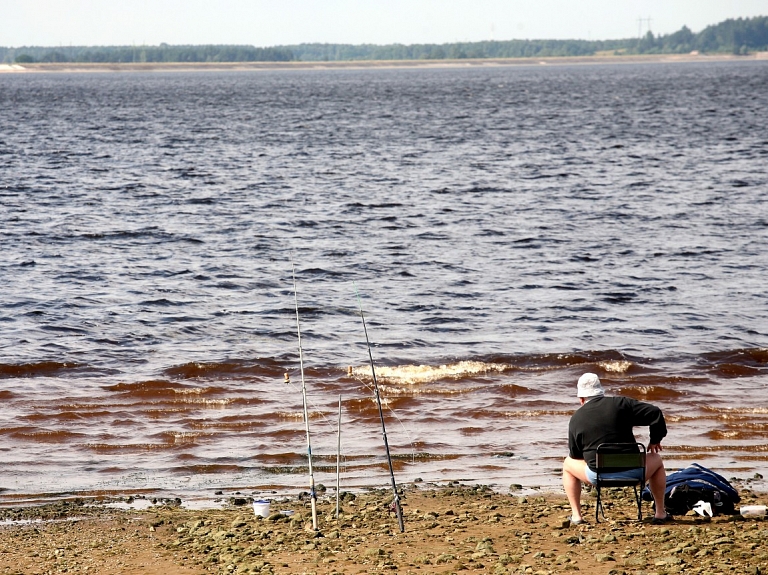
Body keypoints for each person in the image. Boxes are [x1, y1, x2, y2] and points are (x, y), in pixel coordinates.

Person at [563, 372, 668, 524]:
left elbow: (576, 455)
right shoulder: (622, 404)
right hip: (635, 472)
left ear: (581, 399)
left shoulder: (576, 418)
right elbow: (655, 413)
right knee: (656, 459)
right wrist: (655, 439)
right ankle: (660, 513)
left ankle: (577, 516)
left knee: (568, 464)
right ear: (601, 391)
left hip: (597, 477)